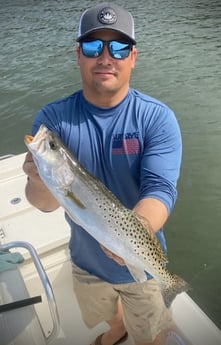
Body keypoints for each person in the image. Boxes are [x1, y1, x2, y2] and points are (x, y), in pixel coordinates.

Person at [23, 3, 183, 345]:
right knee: (106, 320)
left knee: (154, 336)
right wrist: (38, 178)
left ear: (133, 56)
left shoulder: (157, 118)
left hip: (142, 257)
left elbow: (161, 189)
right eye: (94, 47)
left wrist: (133, 234)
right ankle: (117, 327)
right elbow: (46, 205)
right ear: (79, 55)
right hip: (86, 263)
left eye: (119, 47)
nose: (106, 58)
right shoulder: (53, 120)